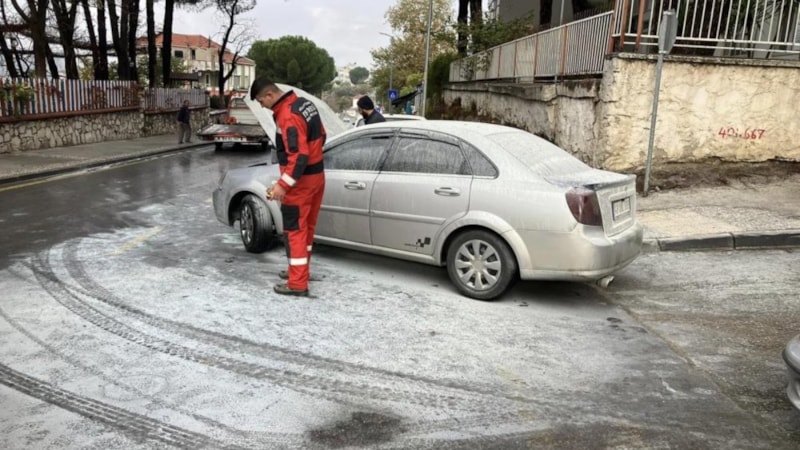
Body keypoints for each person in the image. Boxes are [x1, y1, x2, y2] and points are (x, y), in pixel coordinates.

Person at [250, 78, 326, 297]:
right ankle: (300, 270)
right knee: (307, 228)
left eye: (260, 101)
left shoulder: (288, 115)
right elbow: (321, 136)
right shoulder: (303, 104)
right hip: (316, 177)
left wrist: (283, 185)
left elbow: (298, 155)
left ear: (270, 95)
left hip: (300, 183)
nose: (262, 106)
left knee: (294, 230)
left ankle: (297, 283)